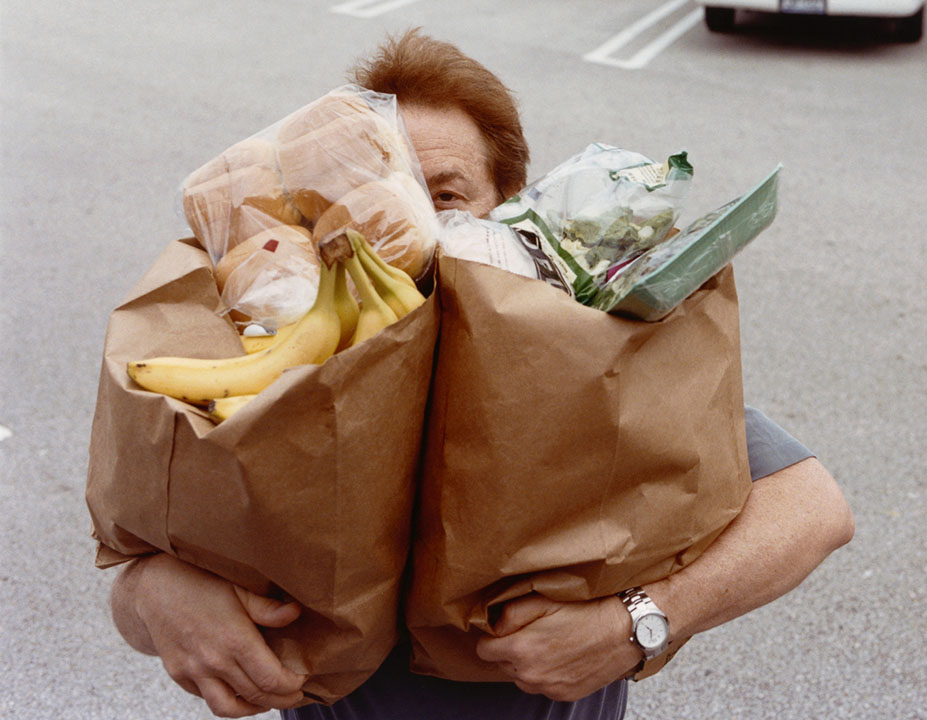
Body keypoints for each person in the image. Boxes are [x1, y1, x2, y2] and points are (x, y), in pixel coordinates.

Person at [108, 29, 855, 719]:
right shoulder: (269, 357)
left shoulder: (578, 351)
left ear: (508, 210)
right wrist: (155, 593)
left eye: (445, 194)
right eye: (377, 188)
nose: (410, 221)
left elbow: (812, 508)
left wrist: (639, 621)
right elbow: (143, 571)